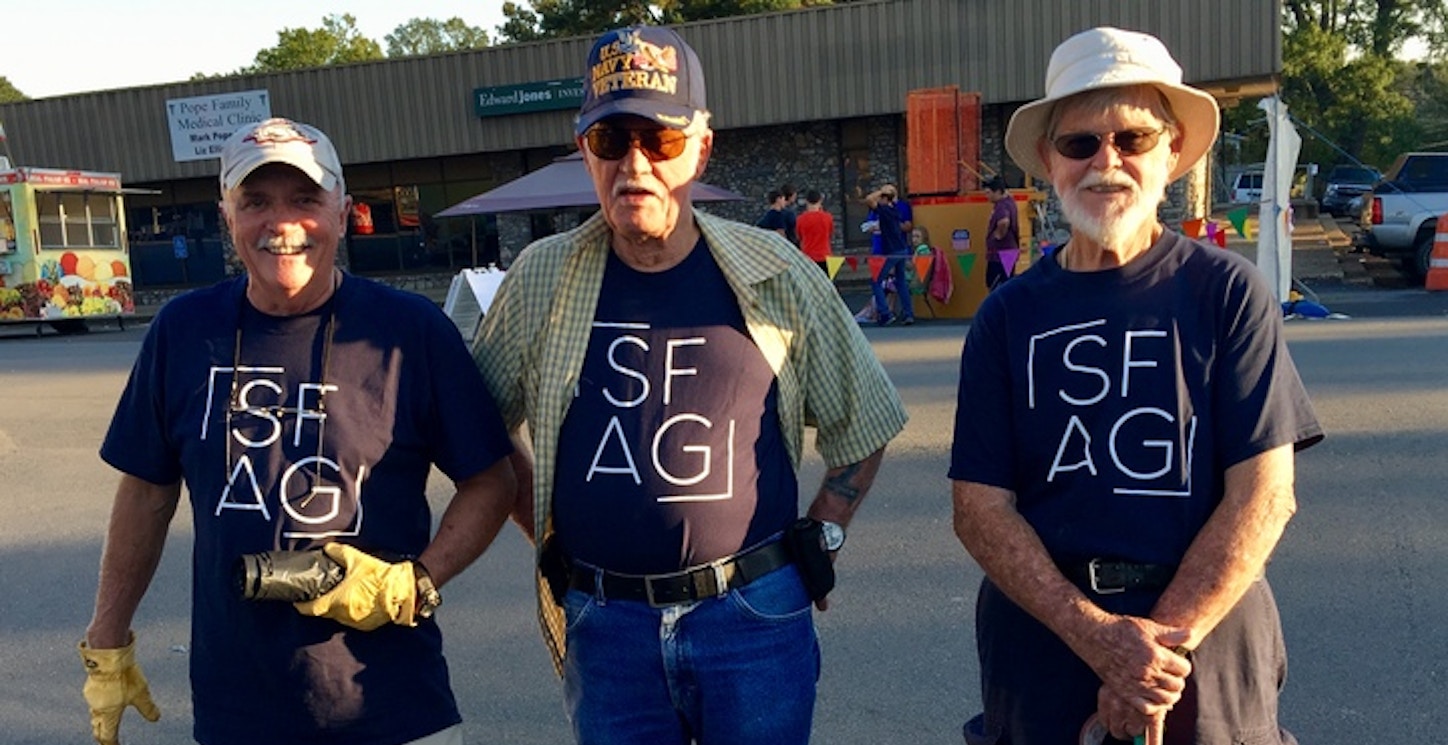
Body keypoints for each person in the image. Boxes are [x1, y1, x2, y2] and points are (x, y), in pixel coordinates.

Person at [471, 25, 908, 745]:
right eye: (611, 142)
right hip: (606, 626)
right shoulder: (540, 278)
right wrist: (547, 532)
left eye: (660, 140)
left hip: (754, 618)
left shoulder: (776, 270)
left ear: (700, 149)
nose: (634, 163)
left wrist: (822, 537)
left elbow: (862, 421)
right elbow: (481, 430)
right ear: (586, 151)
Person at [80, 117, 518, 745]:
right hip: (238, 708)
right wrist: (106, 640)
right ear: (226, 215)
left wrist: (416, 580)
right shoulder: (183, 330)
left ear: (342, 211)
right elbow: (147, 491)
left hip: (390, 702)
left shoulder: (409, 332)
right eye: (255, 201)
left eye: (305, 199)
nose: (281, 223)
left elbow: (491, 481)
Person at [948, 27, 1323, 745]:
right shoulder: (1006, 315)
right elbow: (979, 509)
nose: (1106, 161)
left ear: (1173, 152)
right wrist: (1099, 639)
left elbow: (1265, 497)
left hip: (1205, 642)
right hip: (1044, 637)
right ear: (1050, 162)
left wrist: (1153, 653)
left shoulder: (1227, 293)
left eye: (1133, 139)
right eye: (1080, 144)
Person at [865, 183, 915, 325]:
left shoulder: (885, 210)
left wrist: (881, 191)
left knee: (876, 280)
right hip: (901, 248)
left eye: (882, 197)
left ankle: (885, 313)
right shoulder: (895, 210)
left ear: (886, 199)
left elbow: (869, 199)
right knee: (901, 281)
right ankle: (908, 313)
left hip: (892, 251)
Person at [983, 175, 1018, 291]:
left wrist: (997, 236)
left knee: (995, 284)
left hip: (1000, 253)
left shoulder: (1001, 206)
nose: (986, 196)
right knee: (1007, 284)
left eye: (988, 192)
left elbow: (1004, 222)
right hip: (1008, 252)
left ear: (997, 191)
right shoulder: (1010, 202)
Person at [796, 188, 835, 273]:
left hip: (808, 257)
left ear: (806, 201)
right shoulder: (828, 217)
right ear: (820, 200)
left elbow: (799, 237)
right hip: (825, 255)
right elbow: (830, 234)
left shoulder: (800, 219)